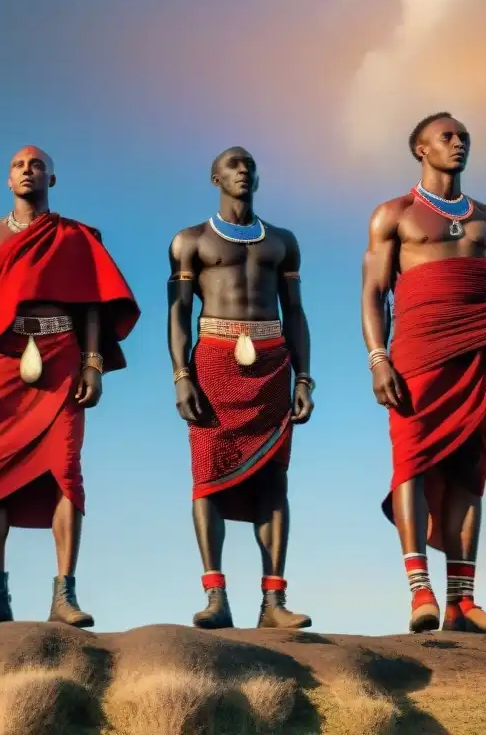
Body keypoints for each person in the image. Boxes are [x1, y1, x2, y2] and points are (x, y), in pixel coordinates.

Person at [361, 113, 486, 634]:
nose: (458, 144)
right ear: (420, 149)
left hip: (481, 360)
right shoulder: (394, 215)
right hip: (417, 356)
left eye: (464, 138)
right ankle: (421, 593)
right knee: (412, 462)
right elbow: (373, 292)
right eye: (447, 137)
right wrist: (378, 358)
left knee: (469, 470)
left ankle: (462, 601)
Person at [0, 145, 139, 627]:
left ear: (51, 180)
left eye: (37, 165)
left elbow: (93, 306)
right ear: (7, 179)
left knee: (64, 469)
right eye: (17, 164)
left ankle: (64, 596)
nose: (27, 170)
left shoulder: (77, 236)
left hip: (60, 358)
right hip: (0, 360)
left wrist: (93, 363)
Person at [166, 146, 314, 631]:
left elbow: (294, 311)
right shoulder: (190, 241)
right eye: (232, 165)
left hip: (273, 364)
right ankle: (215, 598)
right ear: (215, 177)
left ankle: (274, 603)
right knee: (207, 475)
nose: (243, 170)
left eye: (249, 164)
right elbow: (178, 313)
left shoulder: (283, 242)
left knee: (274, 479)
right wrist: (181, 375)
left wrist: (305, 377)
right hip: (213, 363)